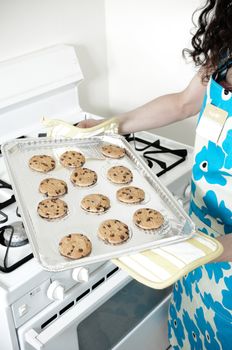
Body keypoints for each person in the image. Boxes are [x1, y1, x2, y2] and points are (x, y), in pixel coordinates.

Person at [78, 0, 232, 348]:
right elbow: (183, 102)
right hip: (198, 241)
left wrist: (208, 250)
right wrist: (111, 126)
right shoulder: (226, 51)